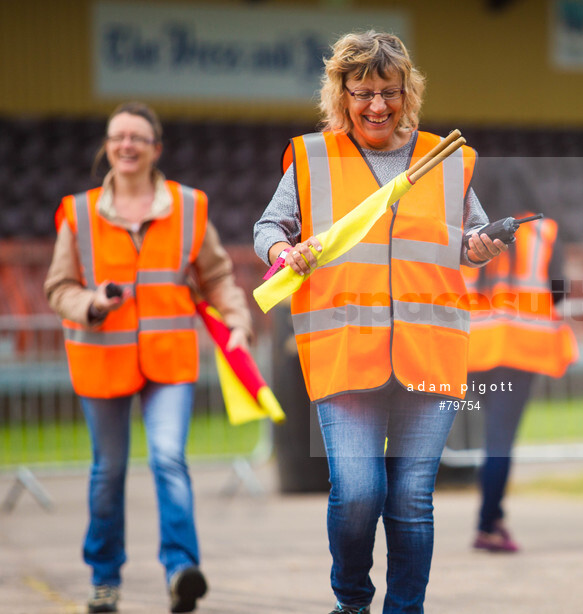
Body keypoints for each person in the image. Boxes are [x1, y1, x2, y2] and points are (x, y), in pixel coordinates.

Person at [253, 31, 507, 614]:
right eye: (362, 92)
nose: (376, 106)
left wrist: (481, 247)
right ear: (340, 92)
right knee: (360, 492)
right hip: (345, 351)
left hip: (430, 350)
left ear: (407, 92)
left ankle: (405, 609)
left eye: (388, 92)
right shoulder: (313, 158)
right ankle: (352, 601)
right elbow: (270, 229)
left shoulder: (447, 157)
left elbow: (469, 242)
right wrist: (280, 254)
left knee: (413, 499)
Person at [44, 102, 252, 613]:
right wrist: (90, 303)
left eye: (138, 136)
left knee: (168, 460)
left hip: (169, 360)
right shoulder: (78, 212)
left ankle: (181, 570)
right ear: (107, 146)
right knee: (107, 471)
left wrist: (238, 325)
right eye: (118, 136)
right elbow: (58, 287)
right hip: (101, 358)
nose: (127, 144)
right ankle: (104, 577)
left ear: (156, 148)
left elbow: (219, 277)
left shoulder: (189, 206)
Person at [462, 210, 577, 553]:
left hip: (474, 346)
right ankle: (488, 524)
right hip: (521, 348)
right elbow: (559, 290)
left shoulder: (466, 228)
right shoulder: (543, 232)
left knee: (490, 438)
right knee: (499, 440)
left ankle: (491, 518)